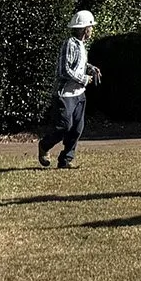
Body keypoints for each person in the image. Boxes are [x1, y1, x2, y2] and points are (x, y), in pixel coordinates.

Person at [38, 9, 101, 169]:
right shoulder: (70, 44)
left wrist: (91, 68)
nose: (92, 30)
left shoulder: (81, 46)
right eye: (90, 27)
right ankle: (44, 146)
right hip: (65, 94)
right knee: (64, 126)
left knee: (77, 129)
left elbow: (79, 64)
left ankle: (66, 160)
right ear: (84, 29)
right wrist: (85, 79)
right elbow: (64, 70)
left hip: (79, 95)